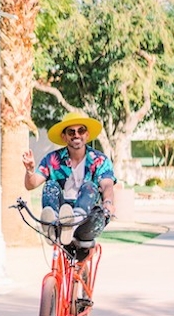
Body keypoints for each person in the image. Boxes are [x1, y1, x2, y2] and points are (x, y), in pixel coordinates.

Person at [22, 110, 116, 265]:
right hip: (61, 216)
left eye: (81, 131)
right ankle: (52, 225)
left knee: (90, 186)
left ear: (87, 135)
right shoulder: (53, 159)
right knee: (50, 185)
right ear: (64, 137)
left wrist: (108, 203)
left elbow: (107, 184)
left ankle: (70, 227)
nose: (76, 135)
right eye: (71, 132)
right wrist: (30, 170)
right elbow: (31, 184)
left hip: (88, 219)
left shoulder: (99, 160)